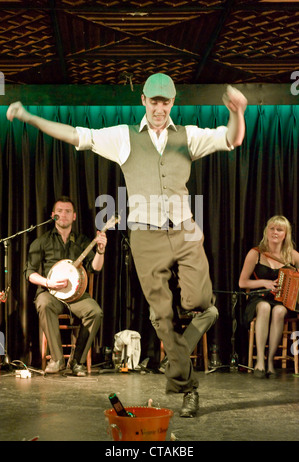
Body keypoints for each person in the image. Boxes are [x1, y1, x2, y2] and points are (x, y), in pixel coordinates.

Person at [7, 73, 247, 416]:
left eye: (165, 102)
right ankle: (187, 387)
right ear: (144, 102)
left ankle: (176, 357)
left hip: (185, 230)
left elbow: (232, 139)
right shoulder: (123, 138)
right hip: (146, 236)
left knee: (202, 304)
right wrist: (30, 117)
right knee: (161, 316)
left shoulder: (189, 136)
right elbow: (76, 134)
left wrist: (237, 112)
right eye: (154, 101)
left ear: (172, 103)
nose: (159, 108)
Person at [24, 196, 107, 377]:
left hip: (77, 296)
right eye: (60, 211)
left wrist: (100, 250)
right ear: (53, 215)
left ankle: (77, 361)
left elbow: (96, 268)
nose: (64, 215)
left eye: (68, 211)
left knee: (95, 311)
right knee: (43, 303)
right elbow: (29, 273)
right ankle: (57, 360)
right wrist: (48, 282)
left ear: (74, 216)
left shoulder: (83, 241)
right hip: (51, 293)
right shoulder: (42, 241)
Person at [239, 215, 299, 378]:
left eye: (279, 230)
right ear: (266, 231)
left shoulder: (293, 255)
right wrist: (264, 283)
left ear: (285, 234)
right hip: (259, 299)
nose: (274, 232)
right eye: (271, 228)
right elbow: (242, 283)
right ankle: (259, 361)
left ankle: (271, 361)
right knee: (265, 307)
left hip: (281, 301)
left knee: (279, 311)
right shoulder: (256, 253)